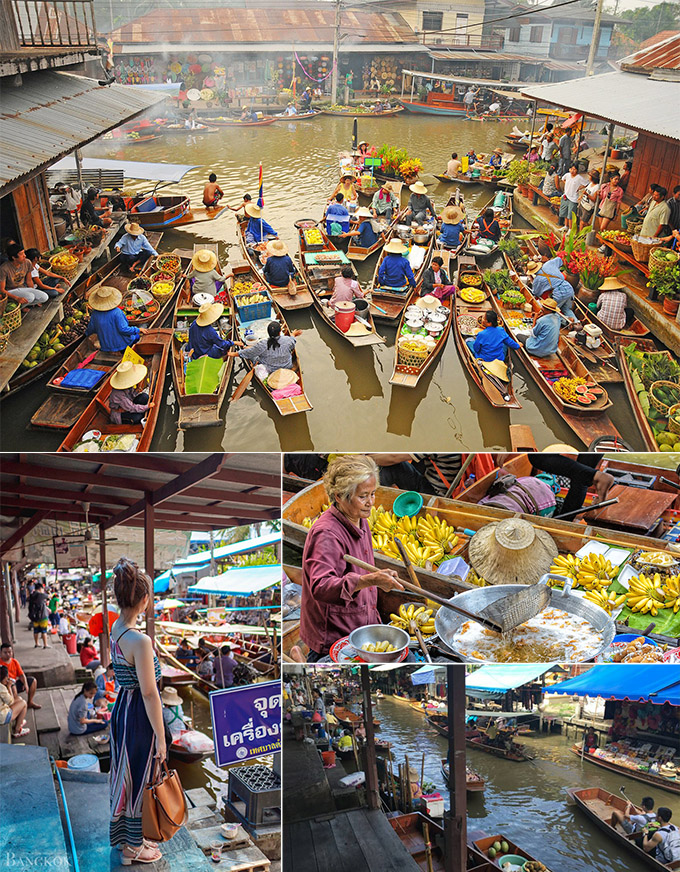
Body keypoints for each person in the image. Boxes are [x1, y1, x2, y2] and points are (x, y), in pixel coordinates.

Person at [300, 455, 403, 659]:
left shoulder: (360, 519)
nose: (371, 503)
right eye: (363, 496)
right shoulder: (326, 534)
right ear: (339, 496)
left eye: (373, 494)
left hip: (360, 625)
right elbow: (320, 586)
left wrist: (376, 577)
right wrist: (370, 580)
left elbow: (361, 569)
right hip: (334, 634)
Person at [109, 558, 166, 865]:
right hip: (138, 716)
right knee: (142, 775)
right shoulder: (140, 641)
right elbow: (149, 692)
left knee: (124, 775)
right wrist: (161, 737)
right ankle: (134, 846)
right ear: (144, 599)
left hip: (121, 708)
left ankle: (124, 839)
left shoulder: (116, 629)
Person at [229, 320, 301, 378]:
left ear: (268, 333)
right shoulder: (288, 340)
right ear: (279, 332)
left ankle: (248, 348)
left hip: (269, 370)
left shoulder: (263, 344)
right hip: (287, 367)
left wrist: (231, 354)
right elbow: (293, 340)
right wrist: (294, 334)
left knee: (252, 353)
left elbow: (247, 353)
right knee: (253, 350)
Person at [84, 285, 141, 352]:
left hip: (105, 346)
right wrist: (138, 329)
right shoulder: (117, 312)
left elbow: (91, 329)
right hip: (122, 345)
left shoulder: (95, 314)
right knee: (137, 336)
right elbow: (123, 329)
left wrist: (86, 334)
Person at [108, 360, 151, 425]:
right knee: (138, 417)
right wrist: (147, 407)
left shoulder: (127, 386)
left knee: (144, 396)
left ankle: (142, 411)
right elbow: (131, 407)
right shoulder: (119, 394)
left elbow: (133, 395)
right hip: (121, 413)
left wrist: (138, 389)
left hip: (128, 405)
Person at [0, 643, 40, 711]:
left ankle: (30, 702)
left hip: (14, 682)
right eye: (5, 652)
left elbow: (21, 674)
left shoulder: (14, 662)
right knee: (13, 686)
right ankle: (15, 707)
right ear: (1, 653)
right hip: (6, 685)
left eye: (9, 652)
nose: (8, 654)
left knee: (33, 681)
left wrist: (25, 684)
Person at [0, 664, 29, 738]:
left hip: (2, 708)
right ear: (4, 677)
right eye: (7, 677)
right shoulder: (1, 687)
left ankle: (19, 722)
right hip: (2, 717)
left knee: (19, 699)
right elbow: (11, 702)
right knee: (24, 703)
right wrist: (9, 687)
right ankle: (17, 730)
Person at [596, 172, 624, 241]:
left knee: (603, 227)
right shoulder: (604, 186)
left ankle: (604, 244)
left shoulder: (619, 191)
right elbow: (601, 197)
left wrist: (616, 214)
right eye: (615, 179)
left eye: (618, 179)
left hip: (610, 210)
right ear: (611, 179)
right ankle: (603, 243)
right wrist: (598, 194)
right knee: (602, 229)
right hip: (601, 207)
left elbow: (618, 203)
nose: (617, 181)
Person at [560, 163, 588, 230]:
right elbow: (563, 179)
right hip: (566, 196)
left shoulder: (579, 178)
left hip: (573, 198)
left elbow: (586, 183)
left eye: (574, 169)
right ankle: (566, 226)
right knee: (565, 213)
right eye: (571, 169)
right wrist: (567, 184)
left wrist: (580, 188)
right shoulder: (567, 175)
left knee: (571, 215)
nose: (572, 171)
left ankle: (570, 229)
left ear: (577, 170)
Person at [28, 582, 49, 648]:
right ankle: (45, 644)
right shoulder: (41, 595)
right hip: (42, 616)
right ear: (40, 588)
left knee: (36, 631)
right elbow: (48, 596)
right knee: (44, 631)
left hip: (34, 616)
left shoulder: (32, 595)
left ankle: (37, 643)